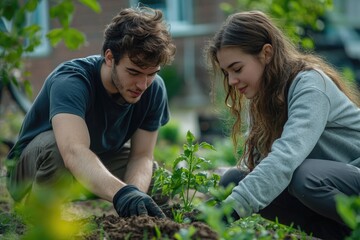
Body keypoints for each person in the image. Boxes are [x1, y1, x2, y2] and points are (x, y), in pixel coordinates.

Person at [6, 6, 176, 218]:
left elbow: (141, 156)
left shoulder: (154, 89)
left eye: (151, 74)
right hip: (34, 169)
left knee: (158, 180)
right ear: (109, 57)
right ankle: (37, 213)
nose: (142, 84)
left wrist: (133, 199)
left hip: (92, 163)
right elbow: (73, 151)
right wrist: (120, 192)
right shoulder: (72, 81)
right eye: (133, 72)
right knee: (56, 148)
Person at [205, 10, 360, 239]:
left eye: (237, 69)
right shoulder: (262, 98)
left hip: (351, 175)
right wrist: (209, 212)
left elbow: (285, 158)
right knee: (235, 180)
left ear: (266, 53)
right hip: (330, 187)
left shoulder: (310, 86)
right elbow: (262, 168)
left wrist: (228, 212)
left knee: (304, 177)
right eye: (226, 72)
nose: (231, 81)